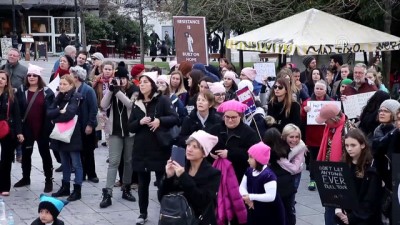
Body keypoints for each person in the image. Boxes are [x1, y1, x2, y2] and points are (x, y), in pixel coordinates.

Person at [128, 71, 179, 225]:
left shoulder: (162, 100)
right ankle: (143, 213)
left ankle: (165, 212)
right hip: (141, 149)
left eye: (145, 81)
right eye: (140, 82)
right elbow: (130, 126)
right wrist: (140, 122)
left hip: (159, 148)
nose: (141, 84)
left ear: (152, 84)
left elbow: (175, 118)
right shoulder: (136, 102)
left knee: (162, 182)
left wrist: (159, 121)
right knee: (143, 184)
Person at [158, 130, 221, 225]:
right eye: (188, 145)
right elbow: (162, 198)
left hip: (199, 220)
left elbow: (202, 201)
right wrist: (168, 177)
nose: (189, 149)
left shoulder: (212, 174)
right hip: (176, 219)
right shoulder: (180, 166)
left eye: (195, 147)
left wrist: (183, 177)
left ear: (204, 153)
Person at [99, 66, 138, 208]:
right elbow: (103, 105)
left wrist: (118, 92)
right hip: (115, 131)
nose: (120, 81)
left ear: (127, 79)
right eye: (118, 78)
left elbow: (130, 105)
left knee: (128, 160)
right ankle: (107, 192)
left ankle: (126, 187)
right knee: (114, 161)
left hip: (130, 132)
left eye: (123, 78)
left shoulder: (134, 90)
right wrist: (111, 91)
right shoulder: (113, 89)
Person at [14, 64, 54, 193]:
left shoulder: (47, 92)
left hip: (43, 130)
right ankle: (26, 178)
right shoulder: (21, 90)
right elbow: (17, 112)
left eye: (34, 75)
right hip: (27, 130)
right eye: (29, 75)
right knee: (26, 155)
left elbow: (52, 111)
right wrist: (19, 131)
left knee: (45, 155)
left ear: (39, 77)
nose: (31, 77)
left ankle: (48, 179)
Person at [335, 129, 383, 225]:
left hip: (365, 219)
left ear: (362, 145)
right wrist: (338, 207)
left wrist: (352, 218)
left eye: (353, 145)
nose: (349, 149)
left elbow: (370, 200)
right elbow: (339, 189)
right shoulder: (343, 164)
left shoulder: (371, 168)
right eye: (347, 145)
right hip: (346, 214)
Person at [315, 103, 352, 225]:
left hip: (343, 178)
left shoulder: (348, 130)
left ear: (333, 119)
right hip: (329, 176)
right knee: (329, 209)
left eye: (325, 121)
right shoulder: (331, 127)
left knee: (338, 212)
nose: (324, 123)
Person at [48, 74, 83, 201]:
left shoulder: (75, 96)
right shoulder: (59, 96)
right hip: (60, 134)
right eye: (61, 84)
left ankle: (77, 189)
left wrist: (55, 118)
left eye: (65, 84)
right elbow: (49, 112)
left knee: (76, 163)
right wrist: (58, 112)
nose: (62, 86)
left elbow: (69, 114)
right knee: (64, 162)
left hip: (72, 134)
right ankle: (65, 186)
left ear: (71, 85)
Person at [239, 141, 286, 225]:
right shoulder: (249, 170)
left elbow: (271, 196)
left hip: (269, 212)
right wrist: (247, 199)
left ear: (258, 159)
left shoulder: (268, 175)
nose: (248, 160)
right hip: (254, 208)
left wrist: (250, 196)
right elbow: (242, 187)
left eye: (250, 157)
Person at [301, 80, 333, 190]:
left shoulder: (332, 102)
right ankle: (313, 179)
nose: (318, 91)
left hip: (327, 135)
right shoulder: (307, 102)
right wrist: (304, 111)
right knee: (313, 159)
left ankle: (324, 179)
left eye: (321, 89)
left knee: (326, 158)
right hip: (313, 136)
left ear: (325, 90)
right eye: (317, 88)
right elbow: (302, 118)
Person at [71, 66, 99, 183]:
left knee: (88, 151)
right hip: (75, 126)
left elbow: (94, 108)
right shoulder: (71, 89)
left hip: (86, 124)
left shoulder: (88, 90)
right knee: (79, 151)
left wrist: (90, 124)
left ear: (76, 77)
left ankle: (91, 174)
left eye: (71, 75)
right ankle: (81, 174)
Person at [263, 128, 296, 225]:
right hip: (287, 183)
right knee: (288, 209)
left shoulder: (266, 152)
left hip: (272, 182)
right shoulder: (286, 149)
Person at [0, 70, 23, 196]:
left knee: (6, 159)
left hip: (7, 129)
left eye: (3, 78)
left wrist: (19, 132)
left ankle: (5, 186)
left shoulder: (11, 96)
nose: (0, 80)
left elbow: (17, 115)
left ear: (7, 81)